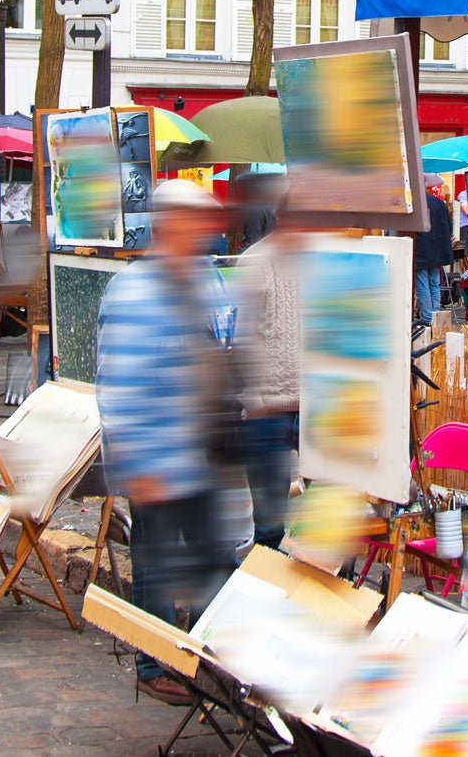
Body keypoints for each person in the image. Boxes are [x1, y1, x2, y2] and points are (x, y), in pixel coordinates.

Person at [96, 179, 239, 706]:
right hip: (155, 457)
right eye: (197, 223)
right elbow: (116, 381)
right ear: (170, 224)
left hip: (199, 448)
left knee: (214, 558)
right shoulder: (132, 288)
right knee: (156, 565)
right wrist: (135, 460)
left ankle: (201, 657)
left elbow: (226, 335)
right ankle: (152, 662)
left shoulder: (205, 278)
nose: (206, 233)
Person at [231, 195, 300, 550]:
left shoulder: (325, 262)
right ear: (280, 216)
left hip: (314, 407)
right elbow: (243, 338)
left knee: (326, 523)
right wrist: (256, 401)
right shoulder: (254, 262)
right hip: (266, 410)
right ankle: (263, 593)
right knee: (269, 527)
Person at [412, 183, 455, 325]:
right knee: (434, 284)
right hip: (437, 249)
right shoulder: (438, 202)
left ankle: (427, 319)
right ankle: (436, 316)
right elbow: (448, 226)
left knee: (423, 285)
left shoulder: (415, 203)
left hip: (421, 250)